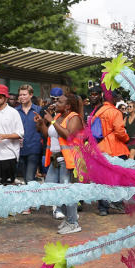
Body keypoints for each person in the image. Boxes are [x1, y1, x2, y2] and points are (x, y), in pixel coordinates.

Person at [39, 93, 83, 234]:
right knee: (51, 189)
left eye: (60, 102)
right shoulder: (58, 117)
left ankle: (73, 222)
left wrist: (51, 120)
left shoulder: (74, 117)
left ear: (68, 106)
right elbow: (49, 135)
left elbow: (68, 135)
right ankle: (69, 218)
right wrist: (41, 123)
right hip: (55, 160)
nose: (56, 103)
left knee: (67, 192)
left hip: (67, 160)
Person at [93, 85, 130, 216]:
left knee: (103, 179)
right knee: (119, 178)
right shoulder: (115, 112)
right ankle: (117, 202)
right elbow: (119, 131)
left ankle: (103, 208)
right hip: (115, 149)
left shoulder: (98, 111)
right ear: (113, 98)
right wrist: (127, 138)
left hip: (100, 148)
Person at [15, 85, 43, 186]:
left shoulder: (39, 110)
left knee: (29, 178)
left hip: (34, 148)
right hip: (19, 149)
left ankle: (32, 200)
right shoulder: (15, 111)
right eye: (20, 95)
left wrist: (40, 122)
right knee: (24, 178)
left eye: (24, 94)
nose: (21, 97)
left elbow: (43, 129)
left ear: (31, 95)